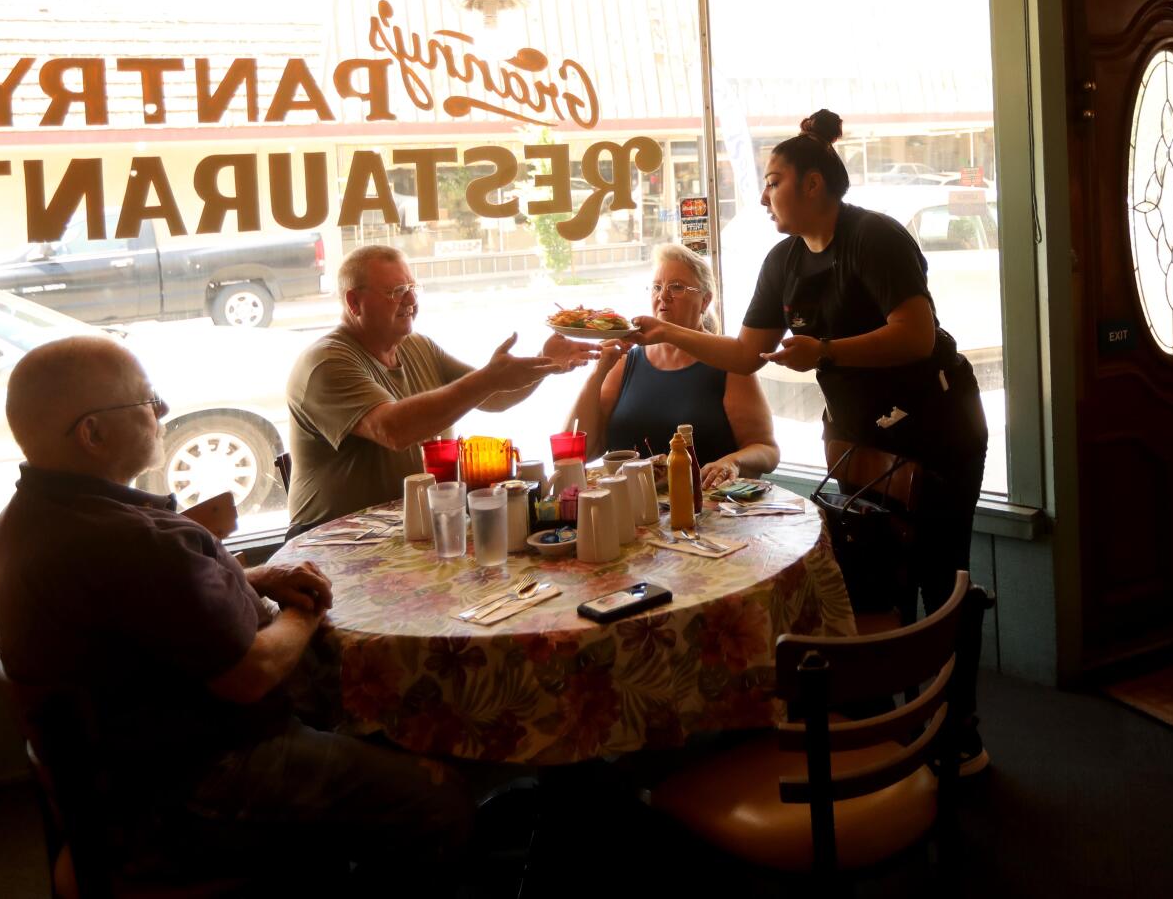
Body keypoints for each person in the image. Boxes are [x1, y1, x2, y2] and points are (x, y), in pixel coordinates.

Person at [0, 335, 471, 890]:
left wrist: (253, 576)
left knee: (374, 725)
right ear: (92, 434)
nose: (162, 411)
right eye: (147, 402)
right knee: (441, 799)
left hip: (121, 771)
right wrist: (304, 609)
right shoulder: (135, 541)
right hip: (201, 778)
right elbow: (252, 673)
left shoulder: (28, 521)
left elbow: (140, 605)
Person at [627, 110, 989, 769]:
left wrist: (824, 347)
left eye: (773, 182)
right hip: (856, 434)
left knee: (940, 579)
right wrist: (669, 333)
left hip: (937, 429)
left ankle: (957, 728)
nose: (763, 196)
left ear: (814, 183)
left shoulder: (874, 239)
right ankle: (880, 719)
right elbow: (745, 354)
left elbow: (914, 333)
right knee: (869, 574)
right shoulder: (783, 261)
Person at [285, 244, 595, 535]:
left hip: (413, 529)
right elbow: (393, 429)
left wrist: (545, 363)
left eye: (412, 289)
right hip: (334, 541)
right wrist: (489, 378)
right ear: (354, 302)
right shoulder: (325, 363)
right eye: (396, 292)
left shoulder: (417, 346)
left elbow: (494, 397)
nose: (411, 301)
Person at [565, 242, 778, 488]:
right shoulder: (625, 362)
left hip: (704, 510)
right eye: (656, 287)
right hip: (630, 509)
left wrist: (732, 462)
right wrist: (597, 372)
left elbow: (767, 450)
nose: (662, 296)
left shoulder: (729, 361)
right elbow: (577, 452)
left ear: (705, 301)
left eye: (676, 287)